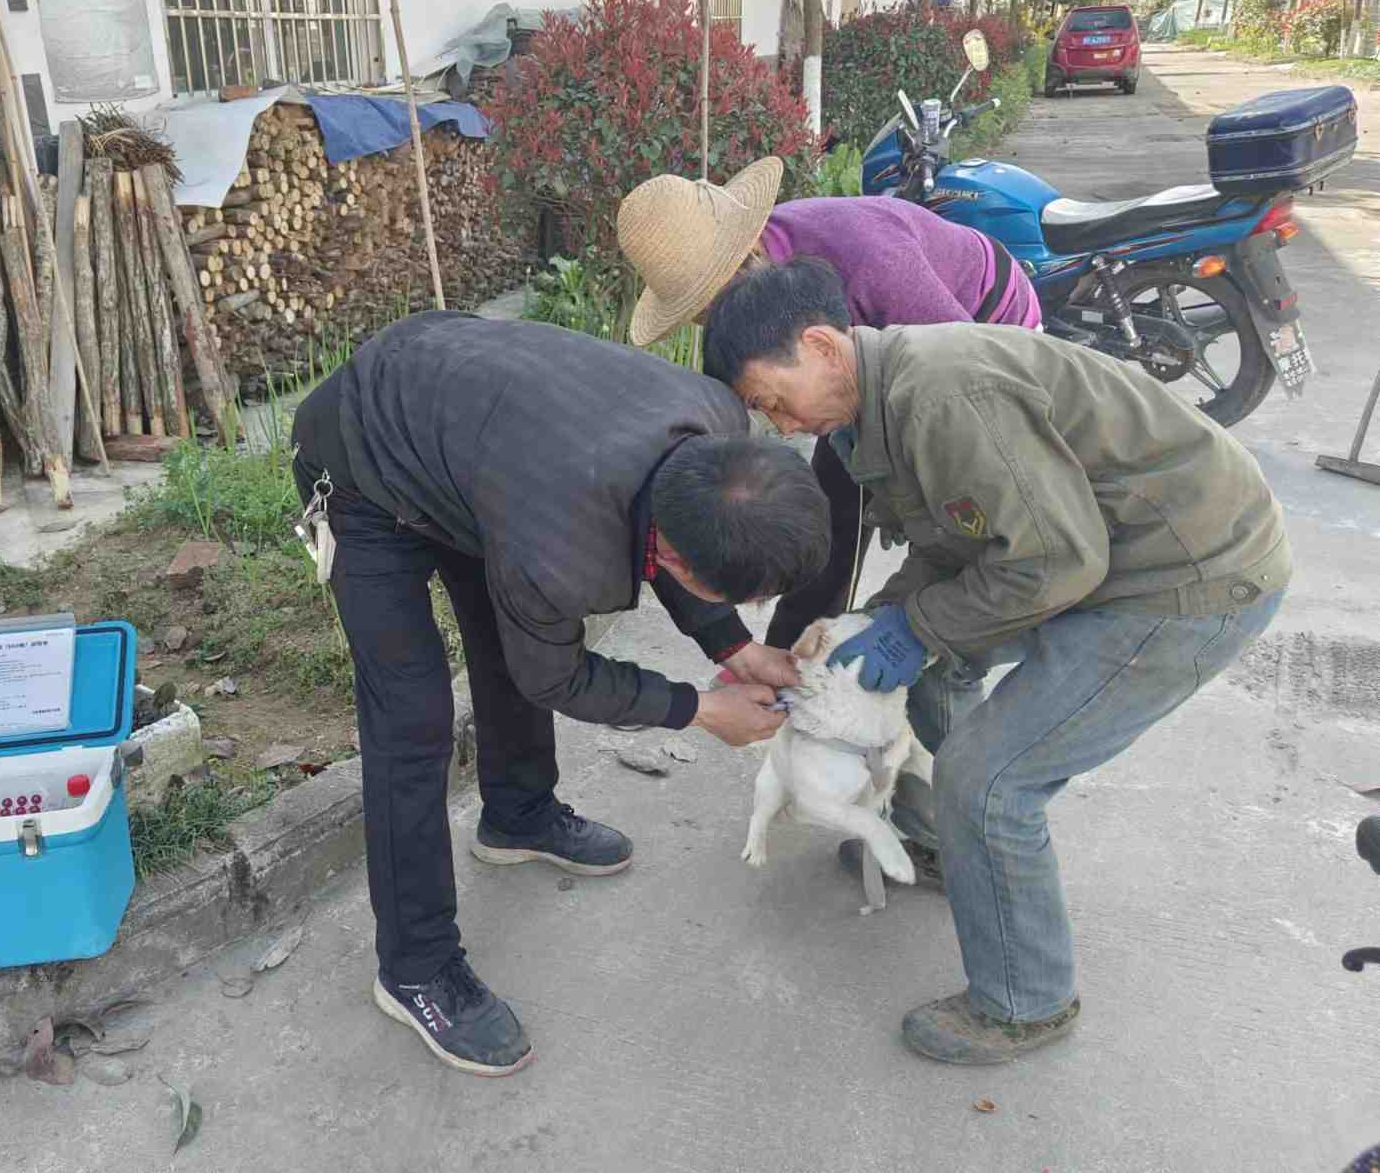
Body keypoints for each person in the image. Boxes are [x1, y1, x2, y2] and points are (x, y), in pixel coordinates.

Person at [701, 257, 1290, 1064]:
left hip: (1188, 574)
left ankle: (1026, 999)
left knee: (989, 777)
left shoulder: (942, 397)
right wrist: (881, 621)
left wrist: (916, 625)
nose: (778, 423)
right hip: (1104, 551)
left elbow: (1055, 563)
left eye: (772, 398)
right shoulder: (875, 409)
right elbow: (960, 541)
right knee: (932, 665)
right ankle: (943, 842)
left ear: (820, 347)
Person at [290, 310, 830, 1077]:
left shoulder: (716, 428)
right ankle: (415, 968)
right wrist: (701, 708)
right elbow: (557, 676)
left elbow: (671, 535)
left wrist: (737, 649)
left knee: (507, 634)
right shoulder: (559, 547)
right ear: (681, 560)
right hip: (363, 460)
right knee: (412, 720)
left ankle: (517, 814)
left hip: (479, 451)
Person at [617, 156, 1041, 661]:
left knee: (939, 506)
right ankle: (789, 662)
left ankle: (932, 653)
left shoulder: (870, 258)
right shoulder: (774, 295)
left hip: (982, 330)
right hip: (867, 365)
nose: (719, 324)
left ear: (749, 254)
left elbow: (964, 374)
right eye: (702, 317)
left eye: (714, 306)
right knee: (829, 511)